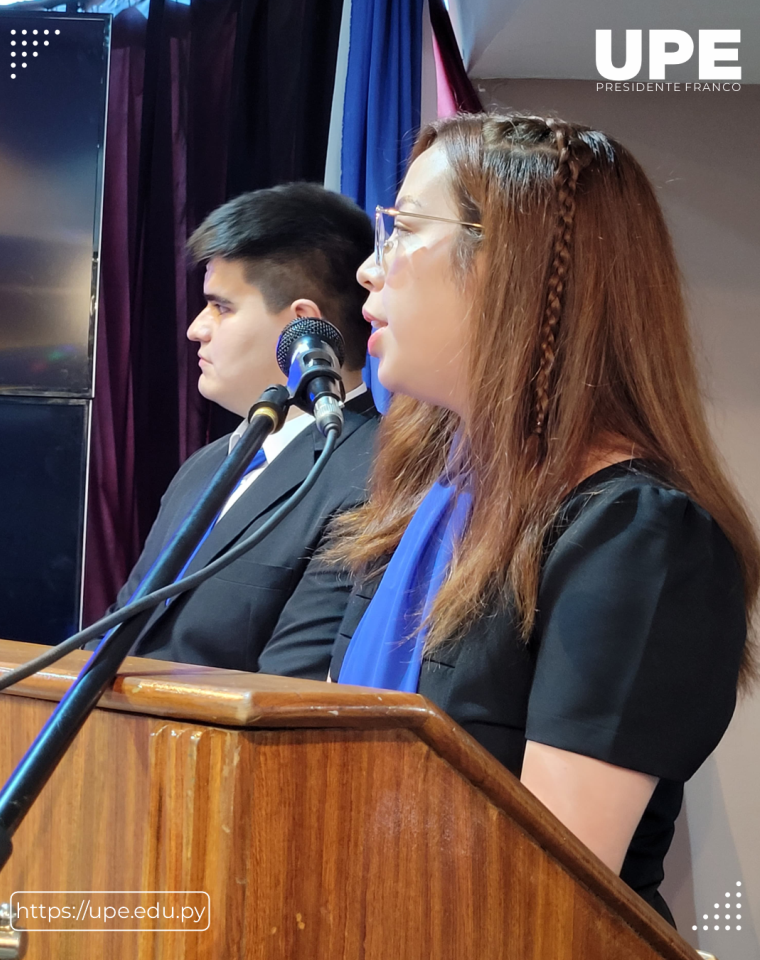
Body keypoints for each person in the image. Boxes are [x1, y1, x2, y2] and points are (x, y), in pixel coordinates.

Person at [326, 113, 760, 923]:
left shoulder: (639, 535)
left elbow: (541, 892)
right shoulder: (432, 496)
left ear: (512, 270)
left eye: (404, 231)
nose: (367, 270)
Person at [107, 183, 379, 680]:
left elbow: (291, 691)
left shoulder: (373, 471)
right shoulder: (205, 466)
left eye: (221, 307)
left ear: (303, 328)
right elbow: (118, 635)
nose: (196, 328)